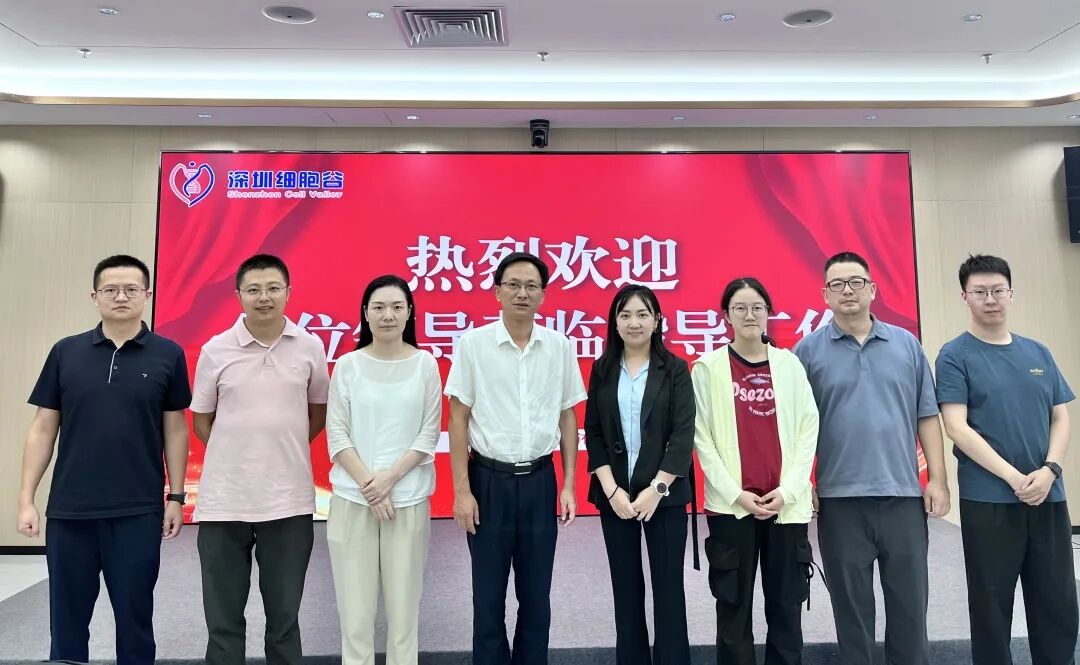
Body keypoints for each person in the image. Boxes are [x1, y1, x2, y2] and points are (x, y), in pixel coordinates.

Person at [16, 254, 191, 665]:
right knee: (67, 619)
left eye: (131, 289)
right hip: (70, 512)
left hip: (137, 511)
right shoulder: (66, 352)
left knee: (135, 617)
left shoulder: (168, 354)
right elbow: (43, 428)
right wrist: (26, 499)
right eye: (110, 289)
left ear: (147, 295)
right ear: (95, 296)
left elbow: (175, 429)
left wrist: (176, 496)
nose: (121, 296)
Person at [792, 251, 950, 665]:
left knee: (910, 607)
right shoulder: (806, 352)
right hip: (840, 500)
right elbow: (793, 427)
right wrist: (802, 481)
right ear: (825, 295)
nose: (847, 290)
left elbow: (927, 416)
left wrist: (938, 479)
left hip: (902, 497)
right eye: (837, 284)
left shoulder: (906, 345)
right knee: (852, 611)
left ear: (872, 289)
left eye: (856, 282)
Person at [444, 251, 587, 665]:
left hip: (540, 481)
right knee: (488, 597)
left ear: (543, 294)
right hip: (488, 482)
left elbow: (567, 416)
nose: (522, 293)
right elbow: (458, 418)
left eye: (531, 286)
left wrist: (568, 485)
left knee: (536, 596)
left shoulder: (559, 346)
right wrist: (462, 491)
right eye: (513, 285)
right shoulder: (474, 345)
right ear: (497, 292)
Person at [935, 254, 1077, 665]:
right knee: (991, 606)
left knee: (1057, 601)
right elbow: (956, 427)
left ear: (1010, 294)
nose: (990, 299)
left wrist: (1050, 470)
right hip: (989, 500)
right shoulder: (955, 355)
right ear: (965, 297)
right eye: (980, 291)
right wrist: (1015, 478)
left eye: (998, 290)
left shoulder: (1038, 352)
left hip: (1048, 495)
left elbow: (1061, 416)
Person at [189, 253, 330, 665]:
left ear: (288, 292)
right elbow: (202, 420)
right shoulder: (216, 349)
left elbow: (317, 414)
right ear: (238, 296)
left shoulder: (310, 347)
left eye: (273, 288)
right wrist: (238, 453)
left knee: (284, 619)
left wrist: (278, 448)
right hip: (224, 502)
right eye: (253, 290)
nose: (263, 297)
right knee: (223, 621)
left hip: (288, 501)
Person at [693, 277, 819, 665]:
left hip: (786, 508)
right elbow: (702, 439)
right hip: (732, 508)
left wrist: (790, 490)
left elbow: (808, 429)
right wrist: (735, 494)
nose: (749, 315)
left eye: (757, 308)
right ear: (726, 316)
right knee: (733, 608)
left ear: (768, 313)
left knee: (786, 608)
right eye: (740, 308)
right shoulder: (707, 368)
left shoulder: (789, 365)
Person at [325, 275, 441, 665]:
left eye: (396, 307)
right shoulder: (348, 365)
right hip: (352, 500)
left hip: (407, 500)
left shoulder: (425, 364)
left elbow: (428, 433)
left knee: (404, 616)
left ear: (409, 313)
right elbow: (336, 433)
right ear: (365, 313)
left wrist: (388, 480)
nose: (387, 315)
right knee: (354, 616)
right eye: (378, 307)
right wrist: (369, 485)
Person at [584, 284, 696, 665]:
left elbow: (683, 434)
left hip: (664, 497)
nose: (634, 322)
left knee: (669, 591)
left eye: (643, 314)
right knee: (626, 591)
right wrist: (611, 490)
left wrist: (658, 488)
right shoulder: (602, 369)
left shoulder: (675, 369)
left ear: (657, 320)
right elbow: (594, 433)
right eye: (626, 315)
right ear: (615, 323)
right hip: (615, 498)